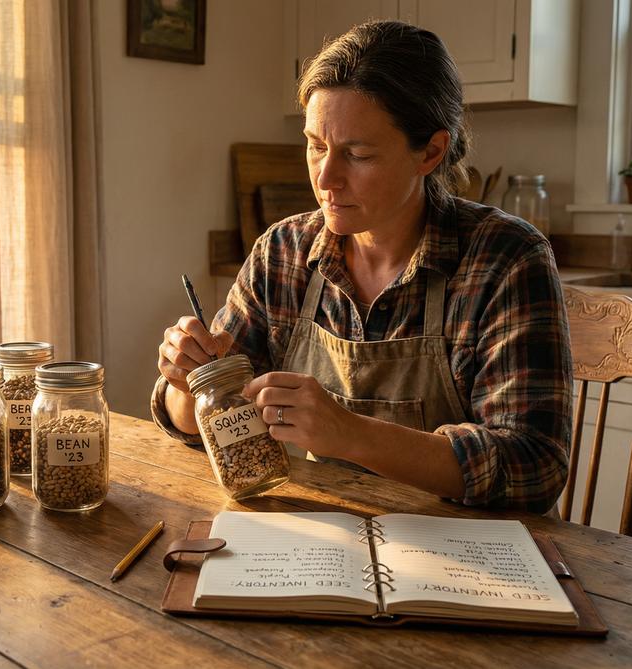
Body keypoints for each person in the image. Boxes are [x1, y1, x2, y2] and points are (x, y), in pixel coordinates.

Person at [151, 21, 572, 514]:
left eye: (358, 153)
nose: (326, 178)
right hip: (318, 537)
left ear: (431, 152)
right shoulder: (284, 252)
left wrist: (349, 434)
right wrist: (189, 386)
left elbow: (533, 466)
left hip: (467, 558)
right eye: (316, 146)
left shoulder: (504, 260)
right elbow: (210, 421)